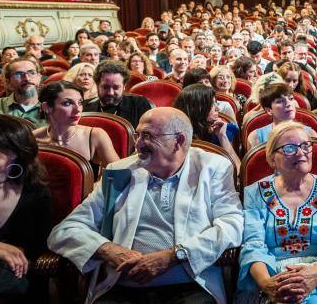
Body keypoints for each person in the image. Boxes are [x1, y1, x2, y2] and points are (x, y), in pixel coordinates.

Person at [47, 108, 244, 304]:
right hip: (123, 286)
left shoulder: (211, 168)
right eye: (138, 135)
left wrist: (174, 255)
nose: (138, 144)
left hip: (189, 284)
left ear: (179, 141)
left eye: (148, 135)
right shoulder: (120, 171)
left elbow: (232, 224)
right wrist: (108, 249)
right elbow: (65, 230)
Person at [236, 122, 317, 304]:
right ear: (272, 159)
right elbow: (253, 245)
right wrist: (268, 284)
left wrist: (312, 276)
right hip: (271, 273)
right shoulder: (256, 192)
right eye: (290, 148)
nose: (301, 153)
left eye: (305, 145)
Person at [0, 115, 52, 303]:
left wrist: (7, 255)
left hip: (16, 277)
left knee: (3, 270)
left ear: (13, 152)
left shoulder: (36, 194)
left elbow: (37, 251)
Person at [34, 81, 119, 173]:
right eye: (68, 103)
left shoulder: (96, 135)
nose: (78, 109)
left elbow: (118, 176)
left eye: (80, 102)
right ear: (46, 107)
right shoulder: (32, 137)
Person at [174, 84, 241, 171]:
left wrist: (222, 136)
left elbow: (238, 170)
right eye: (212, 104)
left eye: (216, 103)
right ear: (198, 108)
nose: (217, 108)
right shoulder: (175, 137)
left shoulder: (222, 131)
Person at [82, 60, 153, 129]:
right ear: (97, 85)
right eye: (105, 87)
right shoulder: (85, 107)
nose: (110, 92)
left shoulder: (139, 105)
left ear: (124, 86)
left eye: (116, 87)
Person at [247, 82, 317, 149]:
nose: (288, 104)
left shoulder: (310, 134)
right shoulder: (255, 137)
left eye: (291, 99)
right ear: (269, 110)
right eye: (280, 101)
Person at [0, 58, 46, 127]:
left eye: (31, 73)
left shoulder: (54, 107)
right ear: (8, 82)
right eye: (18, 74)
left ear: (39, 78)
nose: (27, 78)